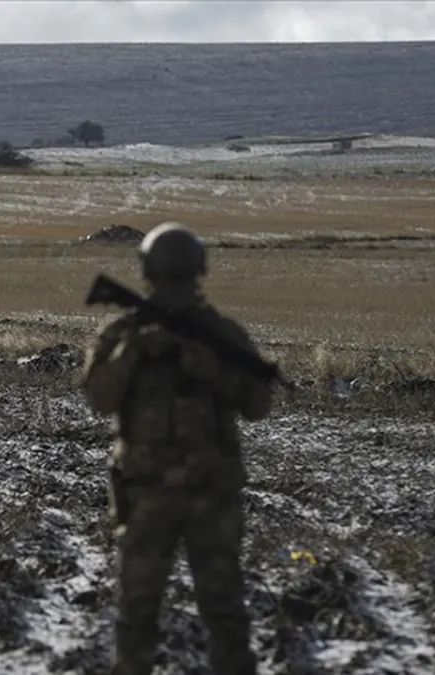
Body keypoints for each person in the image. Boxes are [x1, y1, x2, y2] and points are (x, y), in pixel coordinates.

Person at [80, 222, 275, 675]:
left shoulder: (217, 334)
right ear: (199, 268)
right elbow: (99, 398)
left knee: (173, 617)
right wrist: (134, 352)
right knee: (167, 616)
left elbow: (255, 403)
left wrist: (210, 368)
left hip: (202, 496)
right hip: (154, 495)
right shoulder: (126, 334)